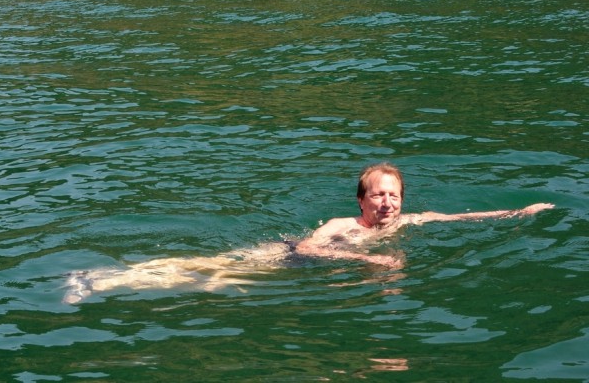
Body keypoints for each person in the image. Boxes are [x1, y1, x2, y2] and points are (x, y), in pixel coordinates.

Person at [64, 162, 554, 304]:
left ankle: (101, 280)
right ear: (361, 201)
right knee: (201, 270)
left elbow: (459, 219)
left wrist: (518, 212)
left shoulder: (410, 222)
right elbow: (308, 246)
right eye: (378, 195)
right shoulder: (345, 225)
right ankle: (98, 278)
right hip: (283, 257)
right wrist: (367, 260)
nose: (387, 202)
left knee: (200, 279)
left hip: (296, 269)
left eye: (394, 195)